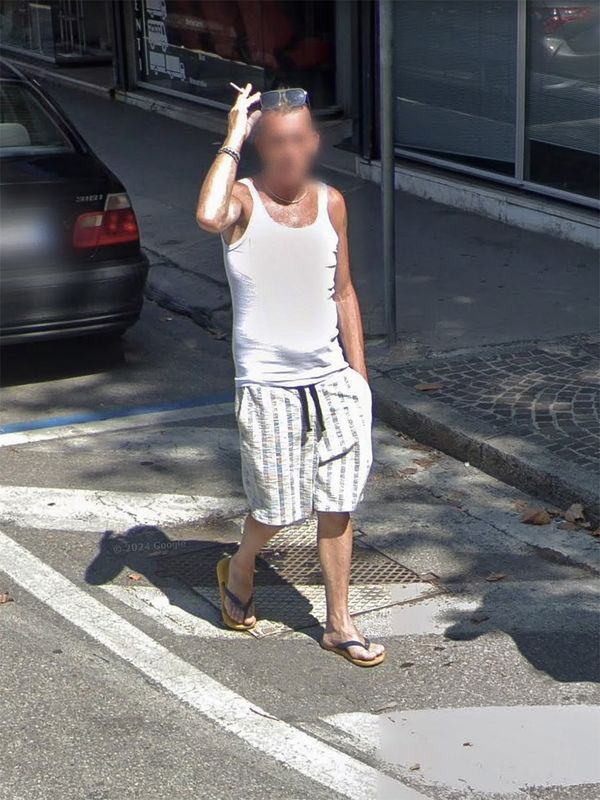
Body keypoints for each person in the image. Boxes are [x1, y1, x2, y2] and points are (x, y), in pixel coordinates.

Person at [196, 84, 385, 667]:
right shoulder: (243, 202)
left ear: (314, 142)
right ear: (262, 146)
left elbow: (344, 292)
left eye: (299, 140)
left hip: (334, 381)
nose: (289, 152)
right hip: (267, 386)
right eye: (276, 141)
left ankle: (339, 623)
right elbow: (207, 216)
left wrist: (360, 378)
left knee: (338, 501)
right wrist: (233, 134)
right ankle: (241, 563)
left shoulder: (332, 203)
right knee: (278, 509)